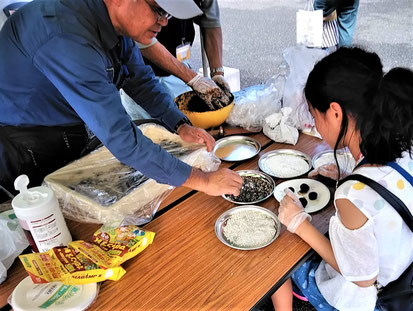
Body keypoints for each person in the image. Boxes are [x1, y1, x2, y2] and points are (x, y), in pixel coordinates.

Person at [0, 0, 243, 203]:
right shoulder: (65, 36)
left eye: (167, 13)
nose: (165, 21)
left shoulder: (113, 24)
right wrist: (203, 180)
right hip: (25, 146)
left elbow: (141, 80)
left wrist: (180, 125)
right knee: (45, 217)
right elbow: (121, 137)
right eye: (158, 10)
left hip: (68, 127)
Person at [271, 47, 413, 310]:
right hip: (404, 275)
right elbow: (385, 191)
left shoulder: (352, 196)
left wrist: (299, 223)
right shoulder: (404, 145)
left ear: (335, 112)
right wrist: (355, 174)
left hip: (371, 299)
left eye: (315, 117)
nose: (314, 126)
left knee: (281, 259)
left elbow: (361, 277)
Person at [138, 0, 231, 107]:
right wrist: (193, 79)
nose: (164, 21)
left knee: (182, 115)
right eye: (160, 11)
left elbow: (210, 20)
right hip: (141, 71)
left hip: (180, 66)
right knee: (145, 118)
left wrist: (217, 73)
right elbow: (142, 39)